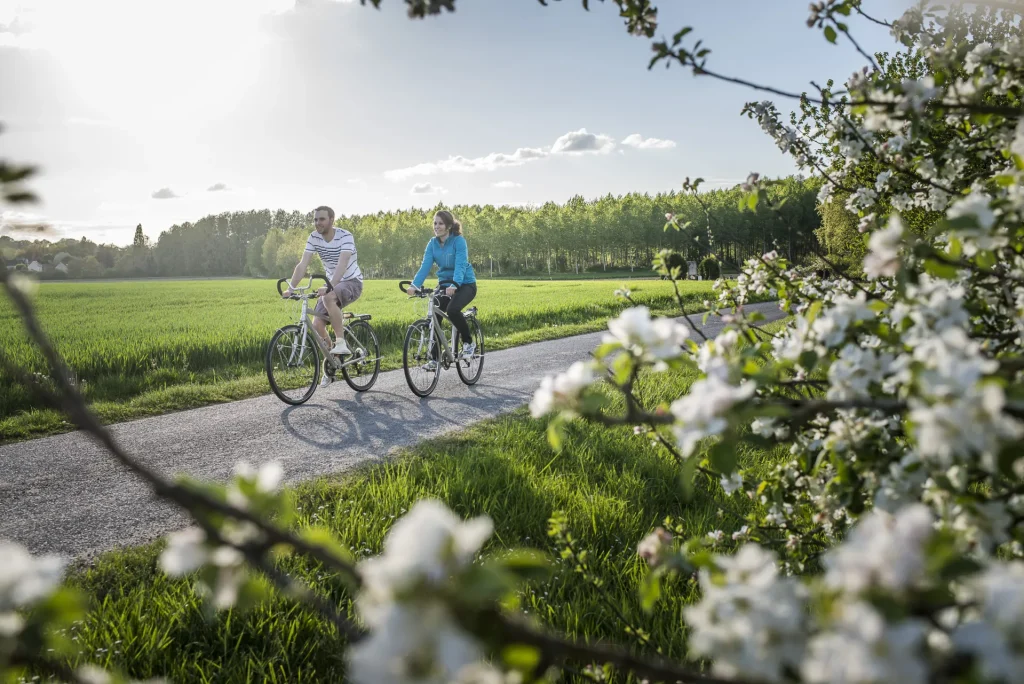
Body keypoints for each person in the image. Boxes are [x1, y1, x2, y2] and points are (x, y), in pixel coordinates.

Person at [283, 205, 363, 384]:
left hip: (352, 282)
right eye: (315, 219)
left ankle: (340, 342)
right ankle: (333, 360)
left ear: (331, 220)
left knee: (328, 297)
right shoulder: (314, 237)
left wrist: (330, 287)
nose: (317, 223)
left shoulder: (345, 236)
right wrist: (291, 288)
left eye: (322, 219)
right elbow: (303, 264)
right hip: (331, 284)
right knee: (317, 324)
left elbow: (342, 264)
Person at [406, 210, 477, 367]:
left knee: (452, 310)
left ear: (449, 226)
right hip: (445, 285)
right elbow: (425, 266)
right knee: (433, 315)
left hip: (465, 283)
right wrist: (414, 285)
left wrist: (455, 284)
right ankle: (434, 358)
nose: (436, 226)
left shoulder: (459, 241)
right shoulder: (432, 244)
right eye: (435, 223)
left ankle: (468, 343)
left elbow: (460, 265)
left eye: (440, 223)